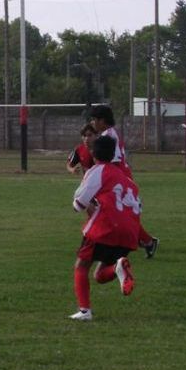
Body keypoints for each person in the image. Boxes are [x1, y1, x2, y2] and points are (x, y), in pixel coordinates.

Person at [69, 135, 141, 321]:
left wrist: (85, 202)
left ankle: (85, 311)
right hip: (130, 232)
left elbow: (78, 204)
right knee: (100, 275)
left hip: (107, 226)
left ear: (93, 153)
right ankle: (118, 267)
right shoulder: (127, 179)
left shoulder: (98, 170)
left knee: (81, 265)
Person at [89, 104, 159, 258]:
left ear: (103, 120)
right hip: (116, 178)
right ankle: (146, 241)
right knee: (117, 212)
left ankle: (102, 239)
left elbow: (112, 162)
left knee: (117, 213)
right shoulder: (108, 133)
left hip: (118, 179)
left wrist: (103, 180)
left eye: (95, 119)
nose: (93, 123)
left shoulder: (109, 136)